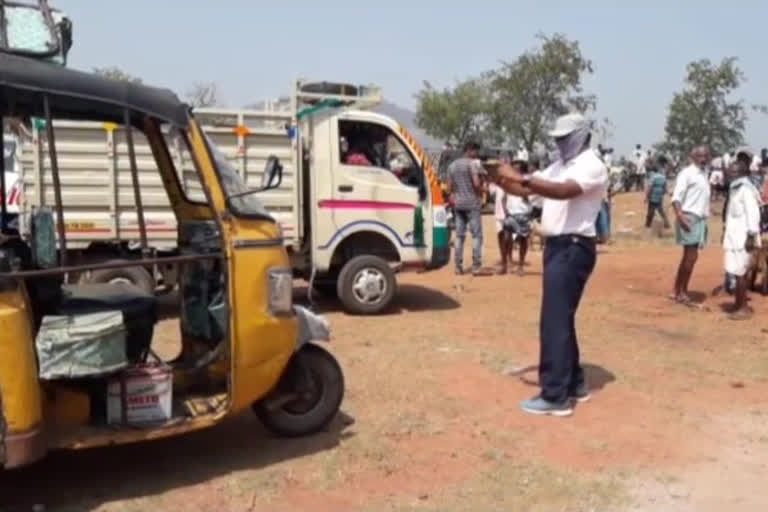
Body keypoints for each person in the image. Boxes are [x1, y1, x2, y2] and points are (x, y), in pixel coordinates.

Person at [494, 113, 608, 417]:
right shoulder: (559, 165)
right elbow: (530, 190)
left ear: (581, 135)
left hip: (573, 247)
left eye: (564, 136)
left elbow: (563, 191)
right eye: (556, 137)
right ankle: (574, 383)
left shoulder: (591, 164)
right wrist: (499, 178)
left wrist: (519, 176)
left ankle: (555, 396)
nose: (559, 141)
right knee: (562, 319)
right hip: (559, 247)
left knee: (554, 320)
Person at [671, 146, 712, 307]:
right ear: (693, 157)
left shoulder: (704, 173)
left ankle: (678, 290)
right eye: (700, 155)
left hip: (699, 219)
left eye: (706, 156)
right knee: (691, 257)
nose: (703, 158)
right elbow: (676, 197)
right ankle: (681, 292)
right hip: (688, 217)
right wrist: (680, 216)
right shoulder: (687, 173)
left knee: (689, 257)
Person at [723, 160, 761, 319]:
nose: (731, 174)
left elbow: (753, 215)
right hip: (733, 238)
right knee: (736, 272)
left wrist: (751, 237)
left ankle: (742, 308)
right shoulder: (735, 188)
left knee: (741, 274)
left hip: (744, 240)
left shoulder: (746, 190)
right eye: (730, 171)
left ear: (743, 173)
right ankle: (738, 304)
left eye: (735, 172)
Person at [447, 141, 484, 275]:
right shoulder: (472, 164)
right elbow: (475, 183)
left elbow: (449, 187)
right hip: (472, 203)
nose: (477, 154)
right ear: (469, 149)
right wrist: (481, 190)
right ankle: (476, 266)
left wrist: (453, 196)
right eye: (475, 151)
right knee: (476, 236)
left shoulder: (452, 166)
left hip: (458, 204)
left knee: (459, 236)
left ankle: (458, 266)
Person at [645, 156, 671, 229]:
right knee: (661, 210)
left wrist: (646, 197)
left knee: (650, 211)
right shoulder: (663, 177)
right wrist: (667, 193)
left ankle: (648, 225)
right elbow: (665, 187)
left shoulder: (653, 177)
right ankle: (667, 224)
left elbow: (649, 188)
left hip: (653, 196)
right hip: (659, 196)